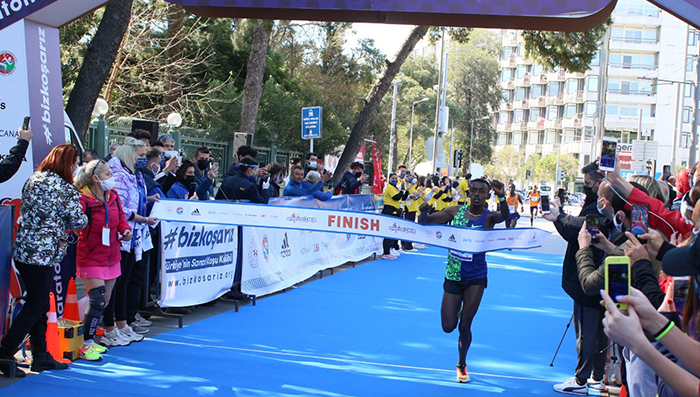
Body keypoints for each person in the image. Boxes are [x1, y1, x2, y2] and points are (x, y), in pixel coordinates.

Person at [0, 144, 88, 377]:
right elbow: (78, 221)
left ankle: (40, 355)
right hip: (44, 254)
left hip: (24, 251)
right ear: (67, 163)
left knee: (37, 302)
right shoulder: (64, 187)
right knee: (37, 304)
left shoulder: (34, 179)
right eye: (74, 162)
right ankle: (5, 351)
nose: (75, 166)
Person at [418, 178, 509, 383]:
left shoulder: (489, 217)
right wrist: (423, 211)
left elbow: (505, 215)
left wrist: (502, 195)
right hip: (453, 274)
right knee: (448, 326)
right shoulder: (455, 211)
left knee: (465, 325)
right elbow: (426, 222)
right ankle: (458, 308)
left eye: (482, 192)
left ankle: (461, 364)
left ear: (487, 196)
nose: (477, 194)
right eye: (474, 191)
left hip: (476, 277)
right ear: (469, 193)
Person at [542, 162, 609, 395]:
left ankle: (581, 380)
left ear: (601, 183)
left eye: (590, 185)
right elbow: (575, 231)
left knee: (587, 331)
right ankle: (596, 377)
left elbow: (585, 228)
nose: (588, 189)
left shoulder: (602, 209)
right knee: (599, 330)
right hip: (597, 272)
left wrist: (559, 217)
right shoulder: (600, 205)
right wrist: (558, 218)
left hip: (590, 273)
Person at [74, 160, 133, 360]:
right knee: (97, 299)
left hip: (112, 254)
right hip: (91, 255)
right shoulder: (83, 199)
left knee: (104, 300)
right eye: (107, 174)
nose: (111, 177)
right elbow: (74, 224)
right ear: (95, 178)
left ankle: (83, 328)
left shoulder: (113, 196)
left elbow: (121, 218)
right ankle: (87, 343)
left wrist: (125, 230)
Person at [103, 137, 156, 346]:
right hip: (122, 236)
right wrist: (142, 218)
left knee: (123, 281)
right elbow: (122, 208)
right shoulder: (119, 174)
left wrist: (147, 202)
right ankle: (112, 326)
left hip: (132, 235)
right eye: (141, 155)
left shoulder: (134, 174)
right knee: (116, 283)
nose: (143, 159)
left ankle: (121, 323)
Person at [381, 172, 408, 260]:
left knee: (392, 232)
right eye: (393, 178)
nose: (395, 180)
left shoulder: (395, 188)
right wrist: (401, 191)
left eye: (396, 178)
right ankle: (386, 252)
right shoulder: (389, 187)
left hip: (395, 210)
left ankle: (390, 249)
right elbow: (396, 197)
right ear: (389, 179)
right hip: (389, 210)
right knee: (388, 232)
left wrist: (406, 191)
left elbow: (402, 198)